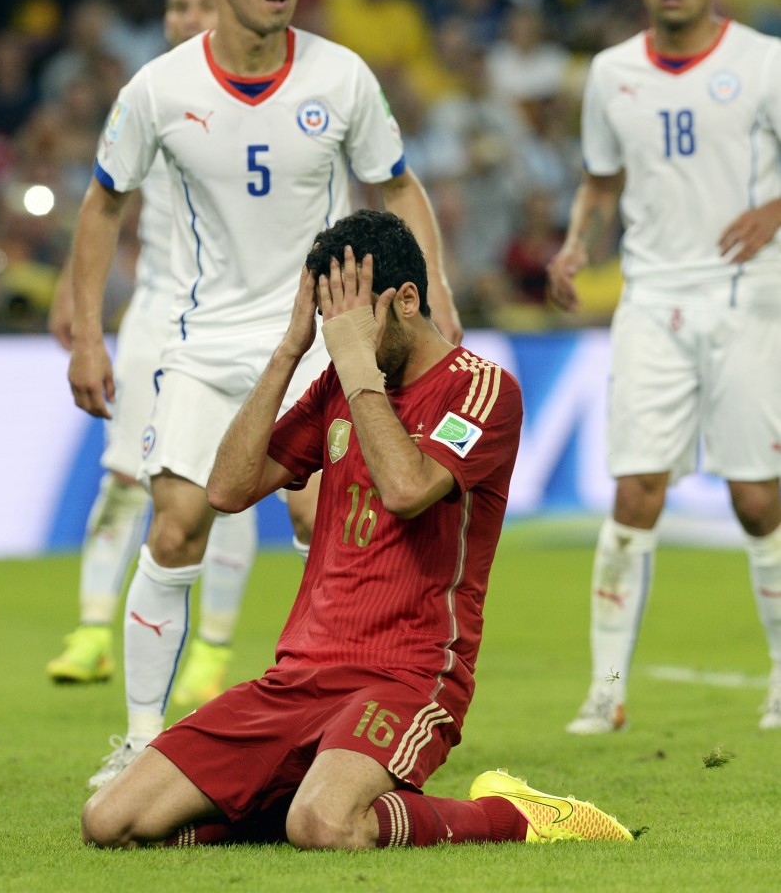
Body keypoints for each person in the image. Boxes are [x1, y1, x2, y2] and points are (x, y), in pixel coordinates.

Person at [80, 209, 633, 850]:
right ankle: (302, 789)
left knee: (324, 825)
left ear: (404, 301)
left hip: (408, 675)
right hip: (298, 675)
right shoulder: (336, 384)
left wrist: (353, 365)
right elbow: (227, 490)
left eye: (352, 320)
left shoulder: (483, 389)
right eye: (327, 321)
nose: (337, 338)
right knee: (110, 821)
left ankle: (516, 817)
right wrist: (291, 349)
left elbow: (406, 491)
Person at [67, 0, 462, 790]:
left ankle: (336, 723)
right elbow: (103, 202)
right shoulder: (161, 89)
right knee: (173, 524)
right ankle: (137, 742)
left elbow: (397, 186)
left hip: (327, 336)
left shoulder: (342, 77)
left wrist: (433, 296)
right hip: (203, 341)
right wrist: (87, 327)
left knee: (326, 522)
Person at [547, 0, 781, 735]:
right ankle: (605, 691)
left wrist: (773, 210)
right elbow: (600, 180)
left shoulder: (763, 63)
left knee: (758, 500)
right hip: (651, 301)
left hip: (748, 298)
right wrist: (575, 245)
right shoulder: (611, 73)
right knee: (634, 493)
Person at [46, 0, 259, 711]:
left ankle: (211, 651)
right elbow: (106, 202)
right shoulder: (149, 95)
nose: (188, 15)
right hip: (155, 311)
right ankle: (93, 630)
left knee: (226, 493)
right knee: (123, 476)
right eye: (176, 5)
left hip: (236, 320)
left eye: (203, 1)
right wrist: (73, 298)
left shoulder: (260, 101)